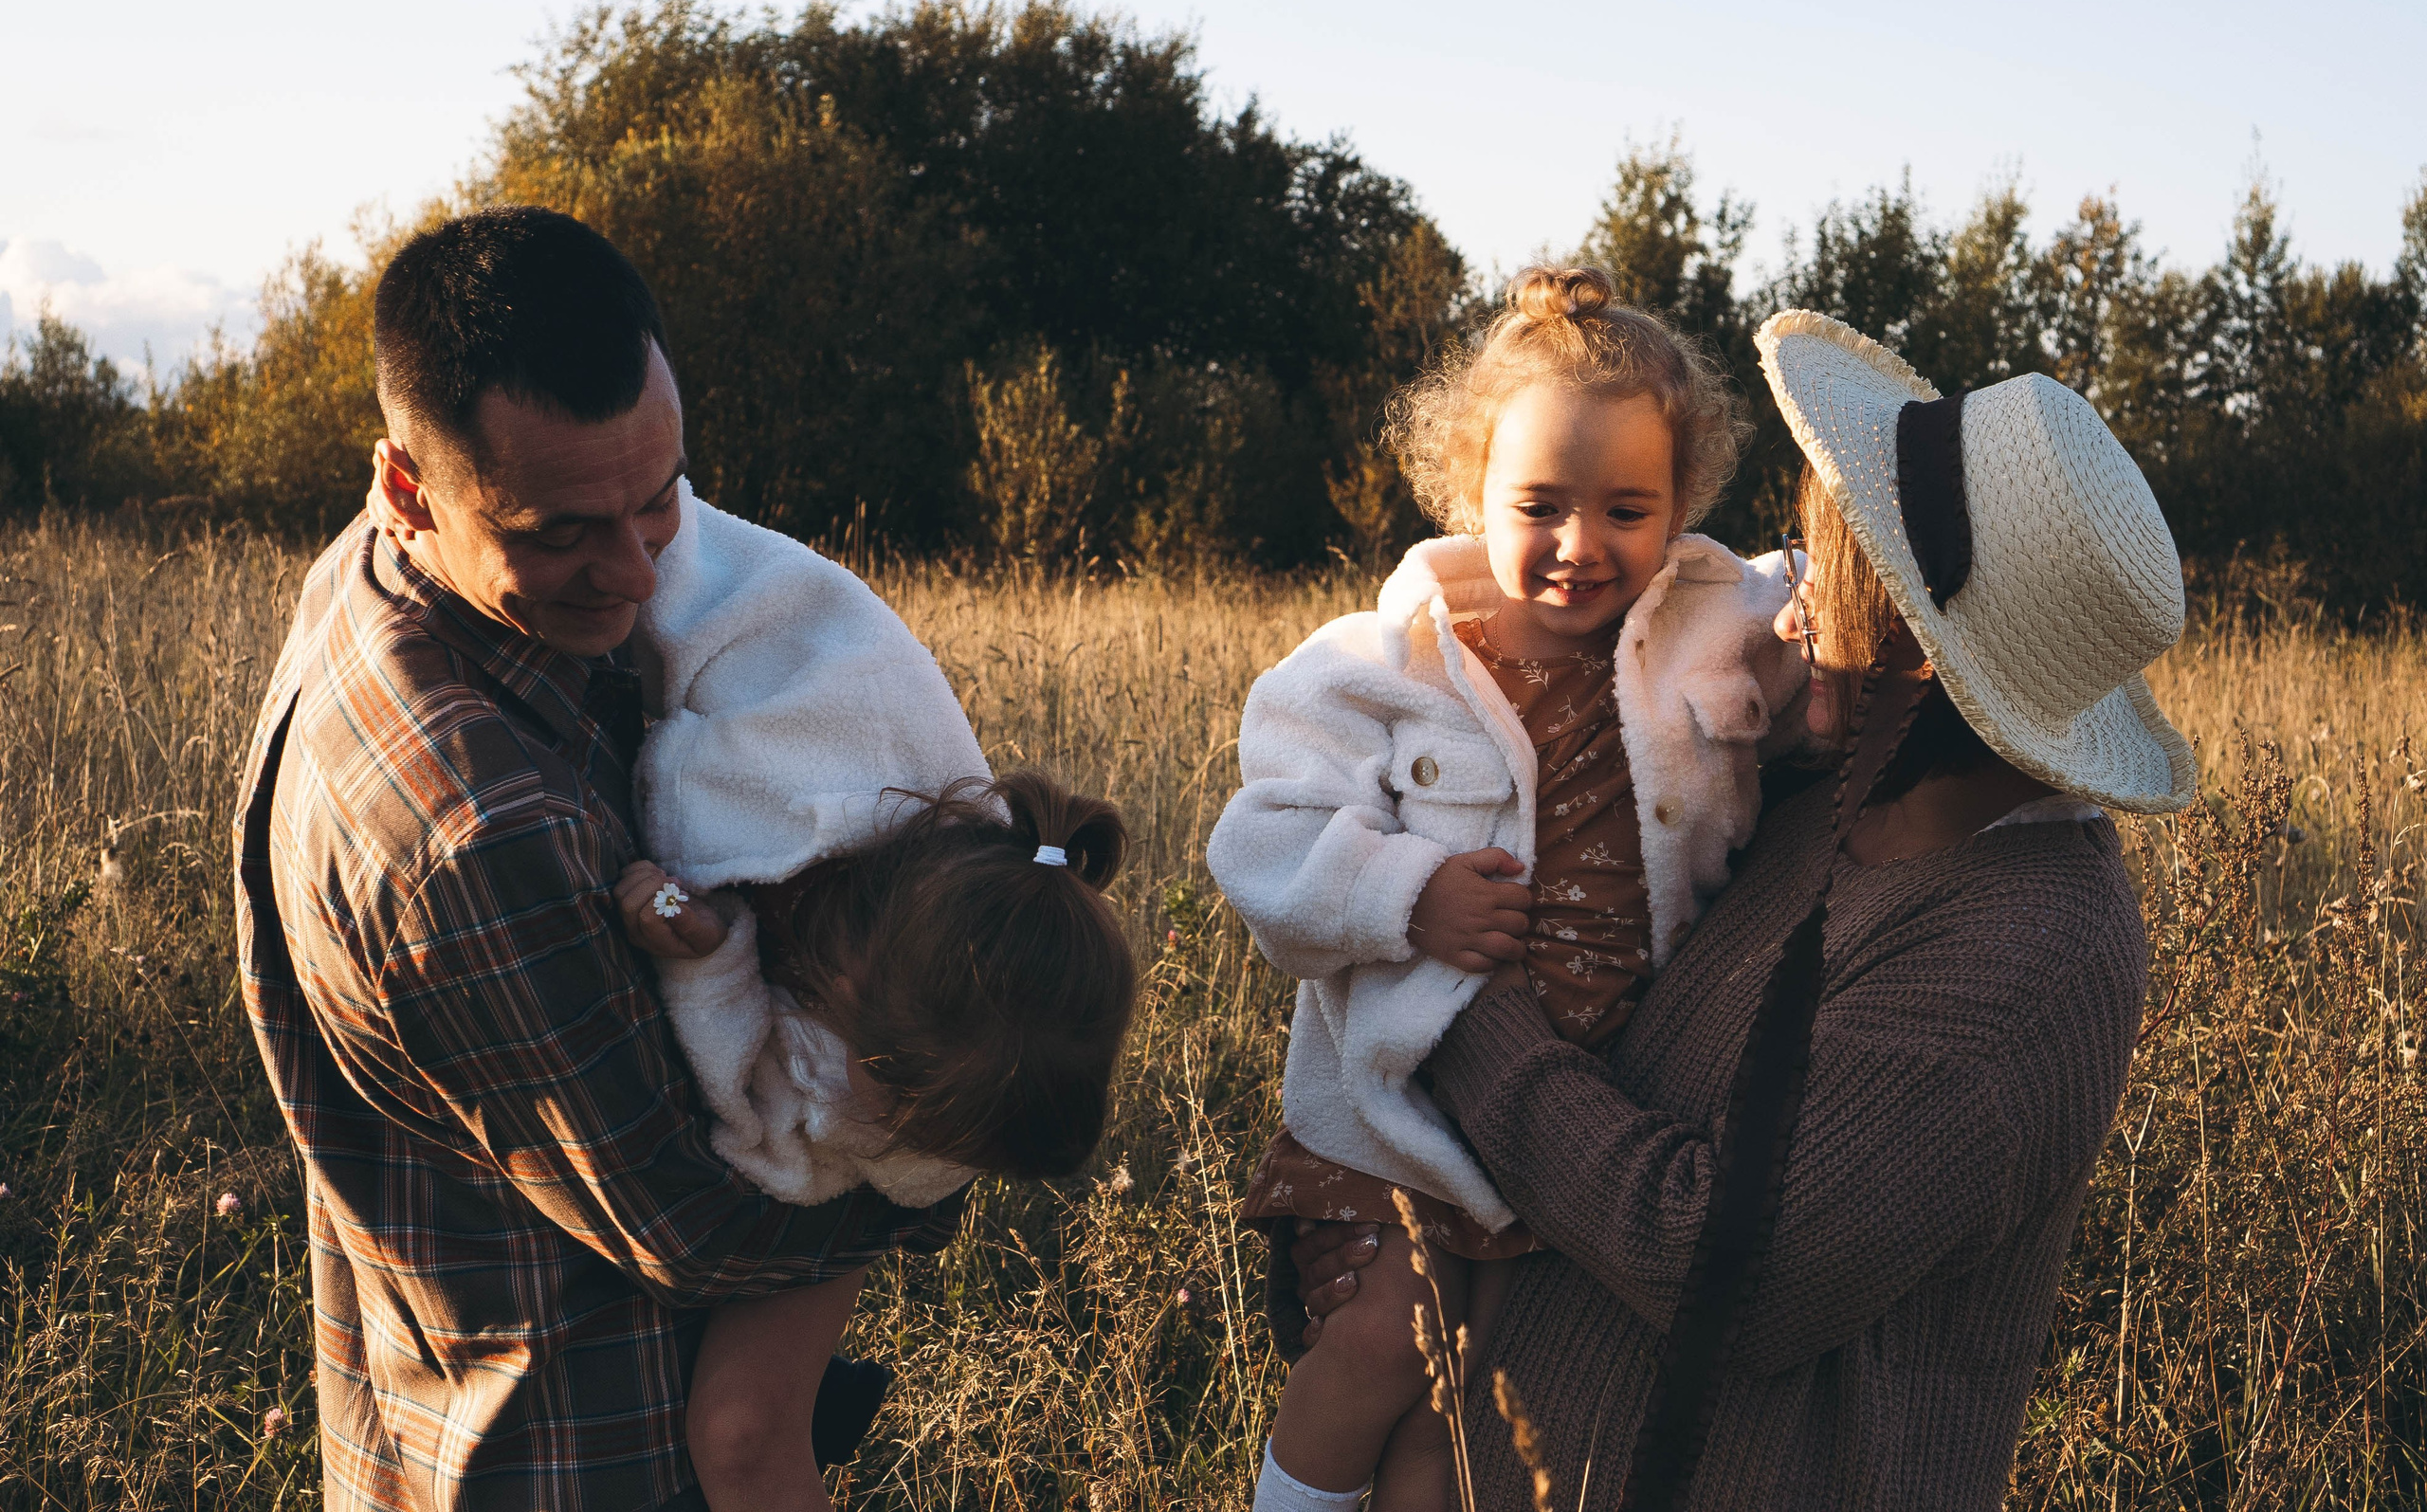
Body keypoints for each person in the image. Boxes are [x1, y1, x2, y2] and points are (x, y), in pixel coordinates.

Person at [1282, 309, 2198, 1509]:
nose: (1792, 616)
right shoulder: (1824, 784)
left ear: (1934, 657)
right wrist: (1368, 1198)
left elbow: (1729, 1267)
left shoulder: (2028, 951)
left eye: (1844, 585)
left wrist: (1454, 1015)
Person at [234, 207, 965, 1512]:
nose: (634, 569)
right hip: (573, 1452)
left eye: (660, 496)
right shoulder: (474, 833)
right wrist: (952, 1136)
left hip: (431, 1408)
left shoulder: (377, 571)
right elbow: (694, 1226)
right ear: (410, 484)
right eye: (561, 529)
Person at [1207, 268, 1808, 1511]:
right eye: (1539, 504)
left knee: (1468, 1405)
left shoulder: (1717, 621)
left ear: (1684, 505)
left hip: (1571, 1119)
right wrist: (1404, 893)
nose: (1583, 545)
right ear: (1469, 486)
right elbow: (1260, 841)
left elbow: (1848, 601)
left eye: (1628, 508)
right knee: (1381, 1342)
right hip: (1402, 1109)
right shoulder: (1387, 659)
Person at [599, 485, 1139, 1512]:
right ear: (841, 986)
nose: (888, 1149)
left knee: (745, 1426)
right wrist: (708, 945)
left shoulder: (984, 934)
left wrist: (713, 963)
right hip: (697, 568)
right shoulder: (779, 794)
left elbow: (815, 1141)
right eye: (897, 1122)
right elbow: (767, 1125)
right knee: (744, 1429)